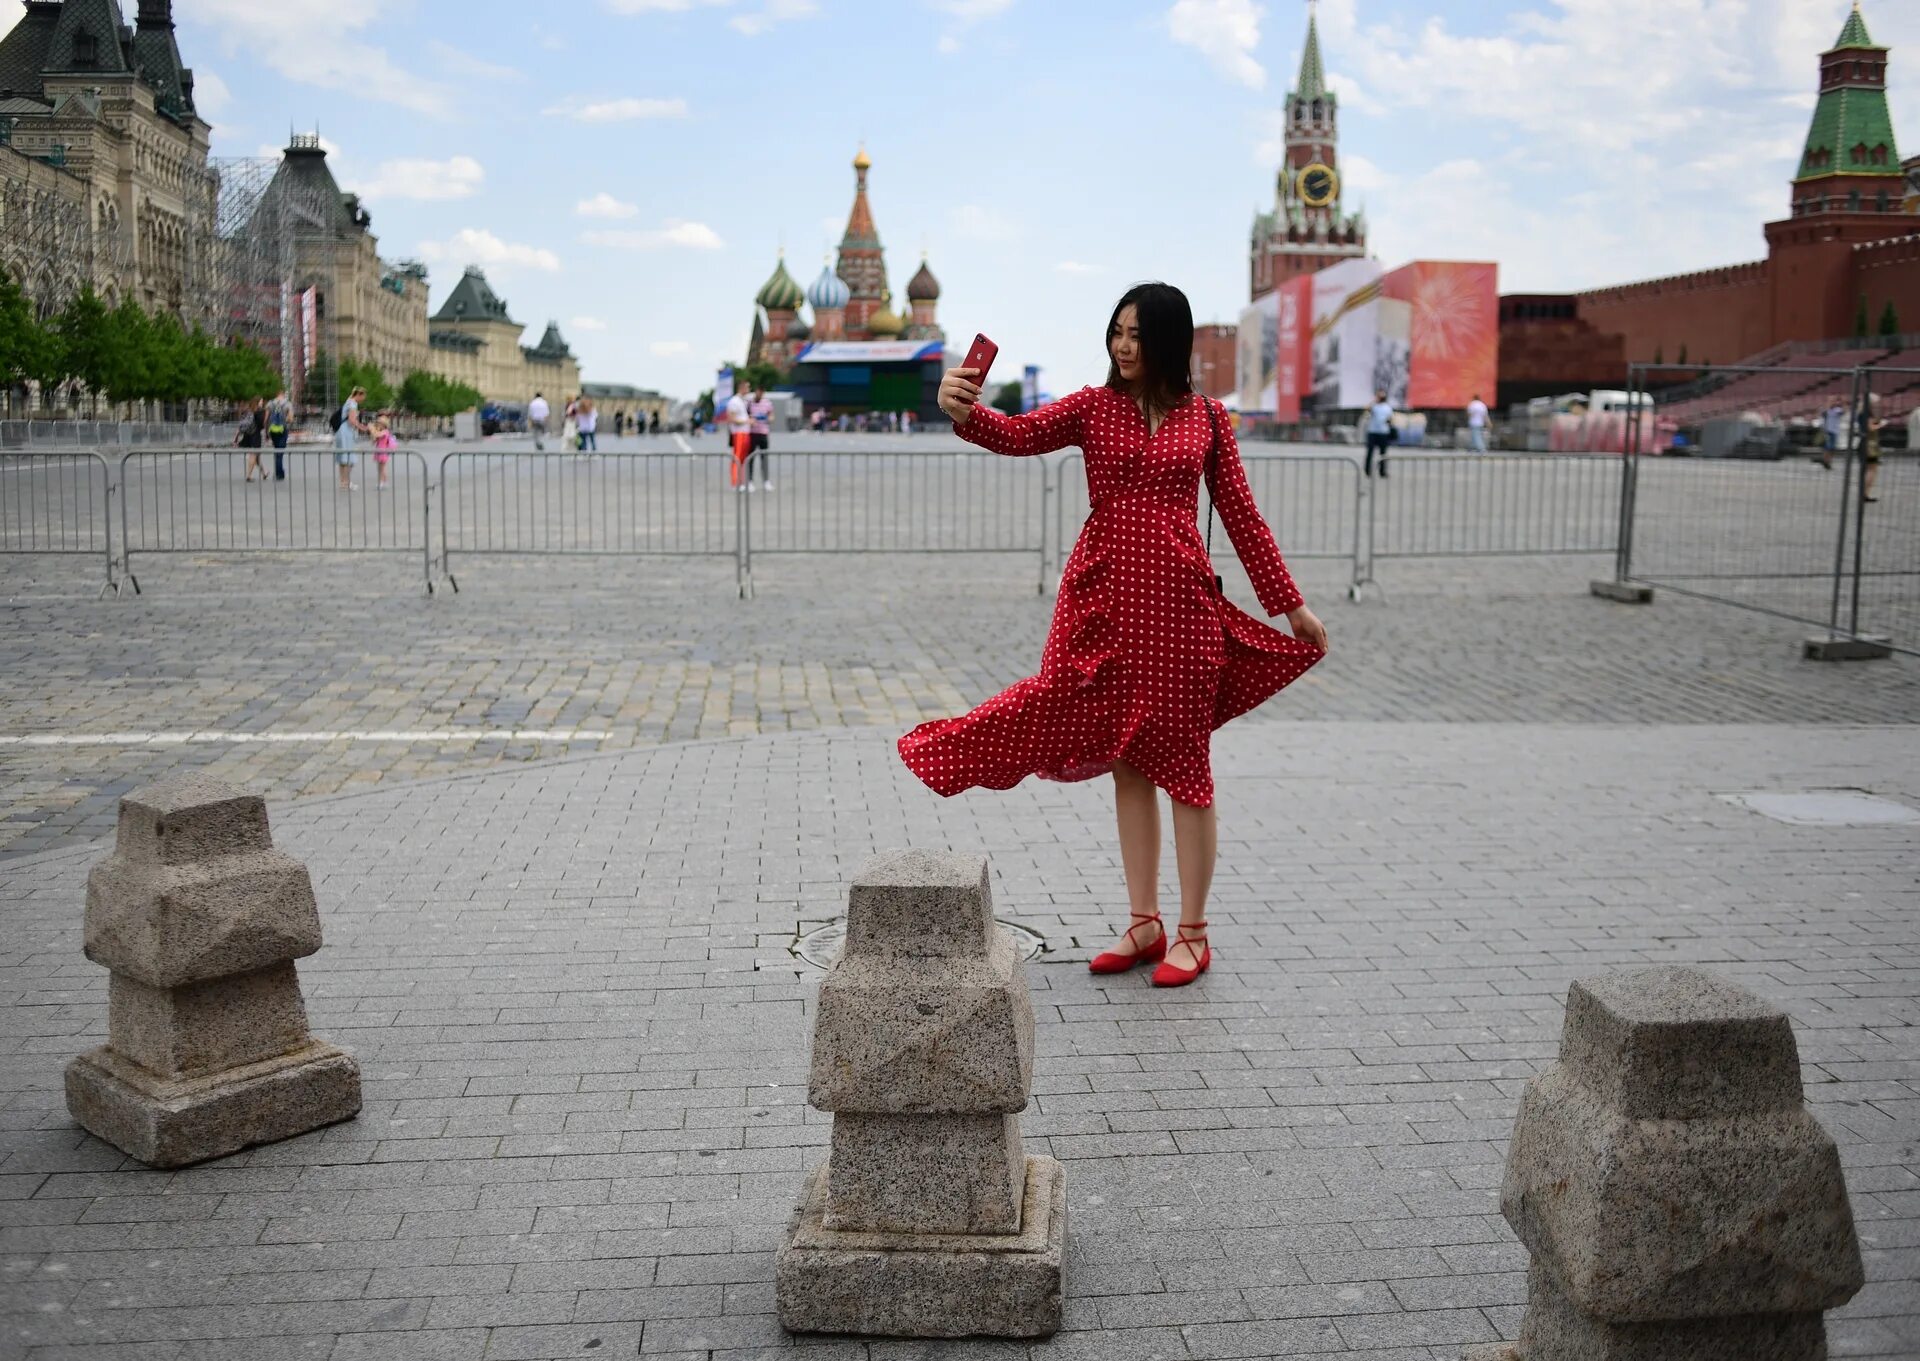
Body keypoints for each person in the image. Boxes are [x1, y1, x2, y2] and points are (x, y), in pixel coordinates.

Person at [902, 282, 1329, 988]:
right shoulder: (1093, 407)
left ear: (1170, 342)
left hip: (1183, 610)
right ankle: (1144, 921)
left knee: (1186, 768)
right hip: (1103, 607)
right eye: (1117, 332)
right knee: (1128, 760)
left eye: (1137, 335)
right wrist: (964, 412)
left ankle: (1192, 931)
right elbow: (1019, 433)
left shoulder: (1209, 420)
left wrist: (1292, 606)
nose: (1123, 346)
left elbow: (1244, 519)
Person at [335, 386, 370, 491]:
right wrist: (363, 428)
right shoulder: (353, 404)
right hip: (346, 432)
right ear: (359, 395)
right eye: (363, 397)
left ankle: (343, 482)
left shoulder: (348, 401)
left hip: (341, 431)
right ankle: (347, 482)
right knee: (349, 458)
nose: (363, 400)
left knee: (343, 458)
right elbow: (352, 420)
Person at [724, 383, 752, 488]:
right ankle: (736, 481)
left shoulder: (742, 401)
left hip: (745, 432)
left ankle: (741, 480)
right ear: (742, 388)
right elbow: (732, 419)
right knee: (737, 457)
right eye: (748, 387)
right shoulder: (734, 401)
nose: (749, 389)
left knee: (743, 458)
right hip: (738, 433)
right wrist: (747, 421)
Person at [1365, 389, 1395, 478]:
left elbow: (1390, 419)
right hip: (1373, 432)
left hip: (1383, 432)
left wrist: (1388, 422)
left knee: (1383, 453)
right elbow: (1366, 408)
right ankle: (1367, 471)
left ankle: (1382, 471)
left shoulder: (1387, 407)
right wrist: (1374, 401)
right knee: (1370, 452)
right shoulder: (1374, 406)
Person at [747, 388, 774, 489]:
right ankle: (750, 481)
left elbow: (771, 416)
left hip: (763, 433)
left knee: (764, 458)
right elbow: (746, 416)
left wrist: (768, 419)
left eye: (762, 391)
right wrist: (751, 420)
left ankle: (766, 481)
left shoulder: (767, 403)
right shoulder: (749, 403)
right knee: (751, 458)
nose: (760, 393)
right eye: (758, 391)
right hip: (753, 433)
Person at [239, 397, 267, 482]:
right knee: (253, 454)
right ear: (257, 402)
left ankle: (264, 473)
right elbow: (262, 424)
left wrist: (237, 436)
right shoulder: (258, 411)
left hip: (248, 434)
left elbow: (241, 423)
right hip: (256, 435)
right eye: (261, 402)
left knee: (257, 456)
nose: (262, 403)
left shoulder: (248, 410)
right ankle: (249, 475)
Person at [1862, 392, 1883, 503]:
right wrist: (1881, 424)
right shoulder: (1867, 414)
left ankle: (1865, 492)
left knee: (1868, 469)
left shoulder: (1862, 412)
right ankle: (1865, 493)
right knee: (1872, 469)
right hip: (1870, 445)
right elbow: (1870, 428)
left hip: (1867, 443)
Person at [266, 389, 292, 480]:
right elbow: (290, 419)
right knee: (280, 452)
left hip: (273, 430)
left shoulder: (270, 404)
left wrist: (266, 432)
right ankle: (279, 473)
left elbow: (266, 419)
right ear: (283, 394)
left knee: (276, 451)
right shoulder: (288, 404)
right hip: (282, 430)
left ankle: (278, 472)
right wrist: (284, 420)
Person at [372, 416, 397, 489]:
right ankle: (383, 482)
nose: (377, 425)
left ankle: (382, 482)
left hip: (383, 451)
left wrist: (373, 429)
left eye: (379, 424)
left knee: (382, 468)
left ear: (383, 425)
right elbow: (374, 440)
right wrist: (374, 436)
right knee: (379, 468)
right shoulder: (380, 431)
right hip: (379, 451)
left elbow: (377, 435)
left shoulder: (385, 432)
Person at [1820, 399, 1845, 470]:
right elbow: (1823, 415)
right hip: (1828, 431)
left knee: (1832, 448)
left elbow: (1842, 412)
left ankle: (1827, 461)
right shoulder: (1827, 411)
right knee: (1828, 447)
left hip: (1834, 431)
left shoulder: (1837, 410)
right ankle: (1826, 461)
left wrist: (1843, 404)